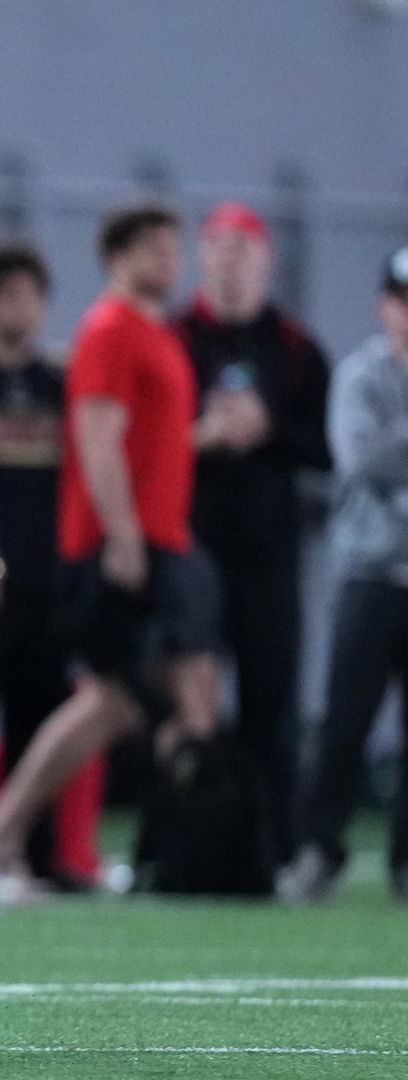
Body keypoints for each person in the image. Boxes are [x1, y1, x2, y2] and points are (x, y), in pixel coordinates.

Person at [0, 204, 223, 895]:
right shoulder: (111, 329)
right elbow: (97, 435)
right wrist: (123, 535)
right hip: (124, 544)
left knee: (178, 699)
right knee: (112, 698)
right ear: (114, 257)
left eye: (174, 248)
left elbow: (156, 442)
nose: (167, 261)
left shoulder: (158, 332)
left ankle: (184, 850)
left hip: (164, 539)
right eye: (150, 249)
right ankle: (1, 832)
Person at [176, 202, 332, 860]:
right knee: (191, 706)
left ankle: (279, 845)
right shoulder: (178, 338)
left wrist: (267, 431)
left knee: (273, 701)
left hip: (269, 553)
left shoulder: (295, 349)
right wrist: (204, 437)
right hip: (193, 550)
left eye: (243, 248)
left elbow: (325, 450)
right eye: (219, 247)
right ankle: (194, 840)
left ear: (265, 260)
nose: (230, 261)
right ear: (203, 257)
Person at [0, 240, 102, 888]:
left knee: (39, 720)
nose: (23, 308)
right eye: (8, 294)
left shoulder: (60, 383)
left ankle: (34, 855)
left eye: (33, 295)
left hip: (49, 579)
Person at [281, 245, 408, 906]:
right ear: (385, 305)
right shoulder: (359, 376)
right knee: (345, 721)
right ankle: (318, 848)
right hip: (369, 572)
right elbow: (361, 461)